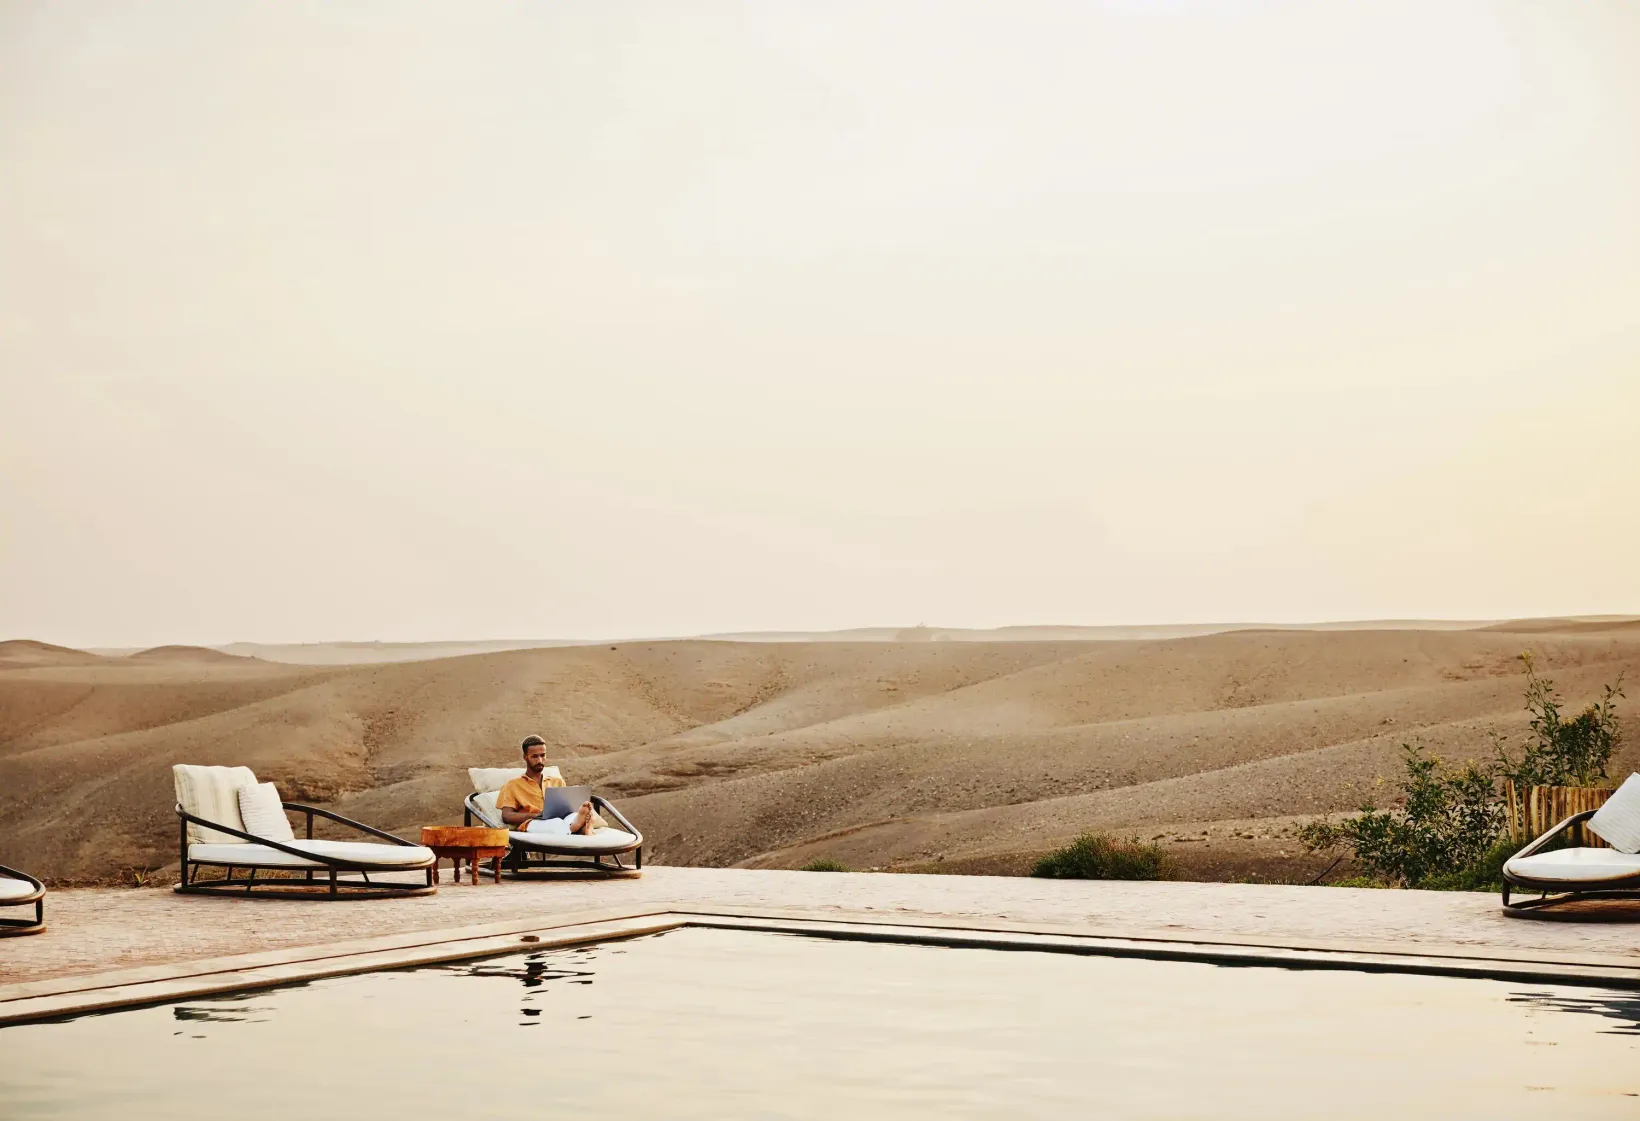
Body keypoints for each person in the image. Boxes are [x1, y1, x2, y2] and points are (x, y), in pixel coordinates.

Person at [496, 735, 605, 835]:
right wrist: (536, 815)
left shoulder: (557, 781)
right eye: (534, 756)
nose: (540, 760)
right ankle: (578, 828)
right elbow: (507, 816)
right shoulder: (513, 785)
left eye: (543, 755)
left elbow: (566, 807)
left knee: (572, 816)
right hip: (534, 822)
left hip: (562, 818)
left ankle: (582, 826)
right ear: (525, 757)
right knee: (555, 823)